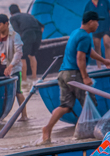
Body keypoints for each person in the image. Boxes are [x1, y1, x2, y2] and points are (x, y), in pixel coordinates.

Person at [41, 11, 110, 144]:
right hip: (74, 73)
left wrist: (104, 61)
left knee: (66, 106)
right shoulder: (85, 37)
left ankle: (47, 128)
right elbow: (80, 57)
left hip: (63, 74)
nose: (98, 25)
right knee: (90, 103)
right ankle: (87, 135)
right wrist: (85, 77)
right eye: (97, 22)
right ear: (90, 22)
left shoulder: (76, 33)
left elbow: (88, 51)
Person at [0, 14, 28, 120]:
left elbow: (19, 53)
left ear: (6, 24)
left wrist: (11, 66)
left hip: (14, 68)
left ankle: (24, 115)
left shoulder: (15, 36)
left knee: (18, 92)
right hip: (0, 67)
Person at [9, 4, 43, 83]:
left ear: (10, 12)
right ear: (19, 9)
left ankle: (24, 79)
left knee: (23, 57)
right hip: (38, 33)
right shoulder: (28, 15)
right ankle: (34, 77)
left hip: (28, 33)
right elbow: (42, 27)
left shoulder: (13, 17)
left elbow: (17, 31)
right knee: (32, 55)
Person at [84, 0, 110, 66]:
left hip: (106, 26)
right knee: (97, 47)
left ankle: (108, 64)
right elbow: (85, 18)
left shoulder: (104, 1)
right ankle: (99, 66)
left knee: (107, 43)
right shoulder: (89, 5)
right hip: (95, 29)